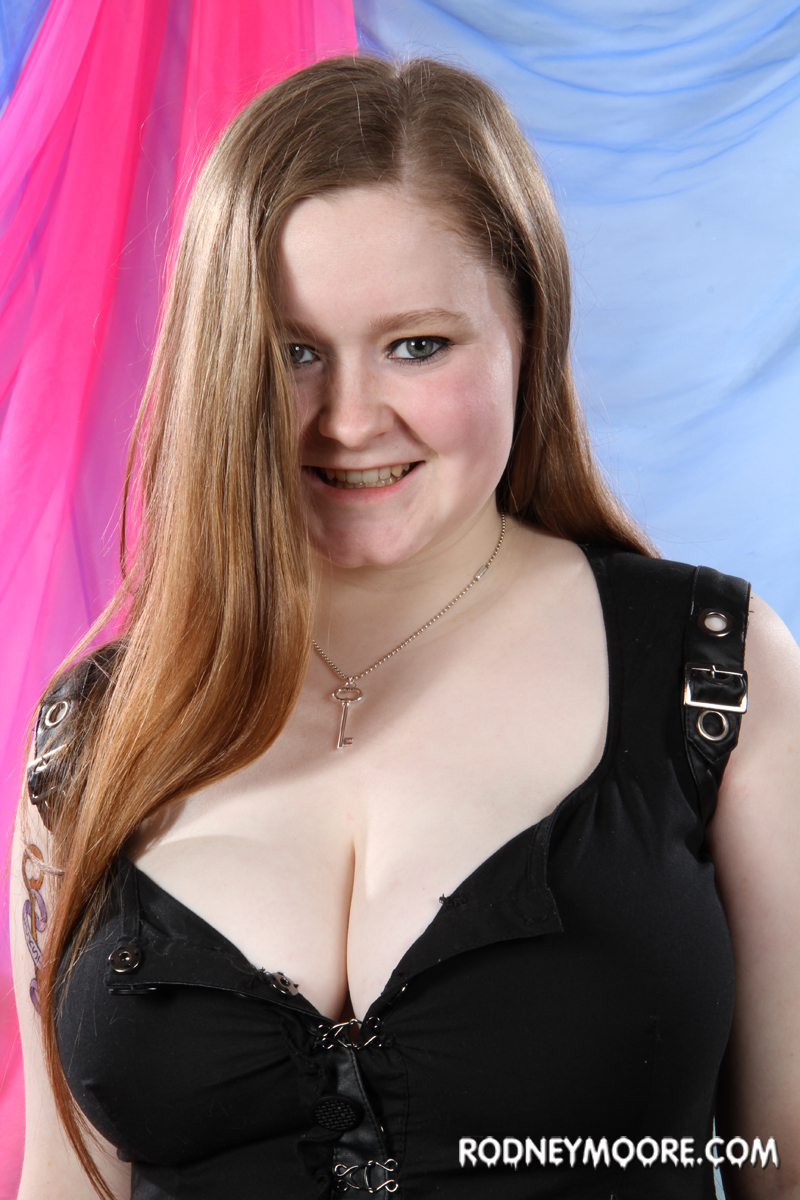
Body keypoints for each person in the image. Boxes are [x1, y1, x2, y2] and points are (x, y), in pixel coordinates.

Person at [9, 54, 800, 1200]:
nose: (345, 420)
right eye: (290, 352)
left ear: (527, 331)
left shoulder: (715, 672)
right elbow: (61, 1181)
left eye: (416, 346)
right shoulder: (87, 739)